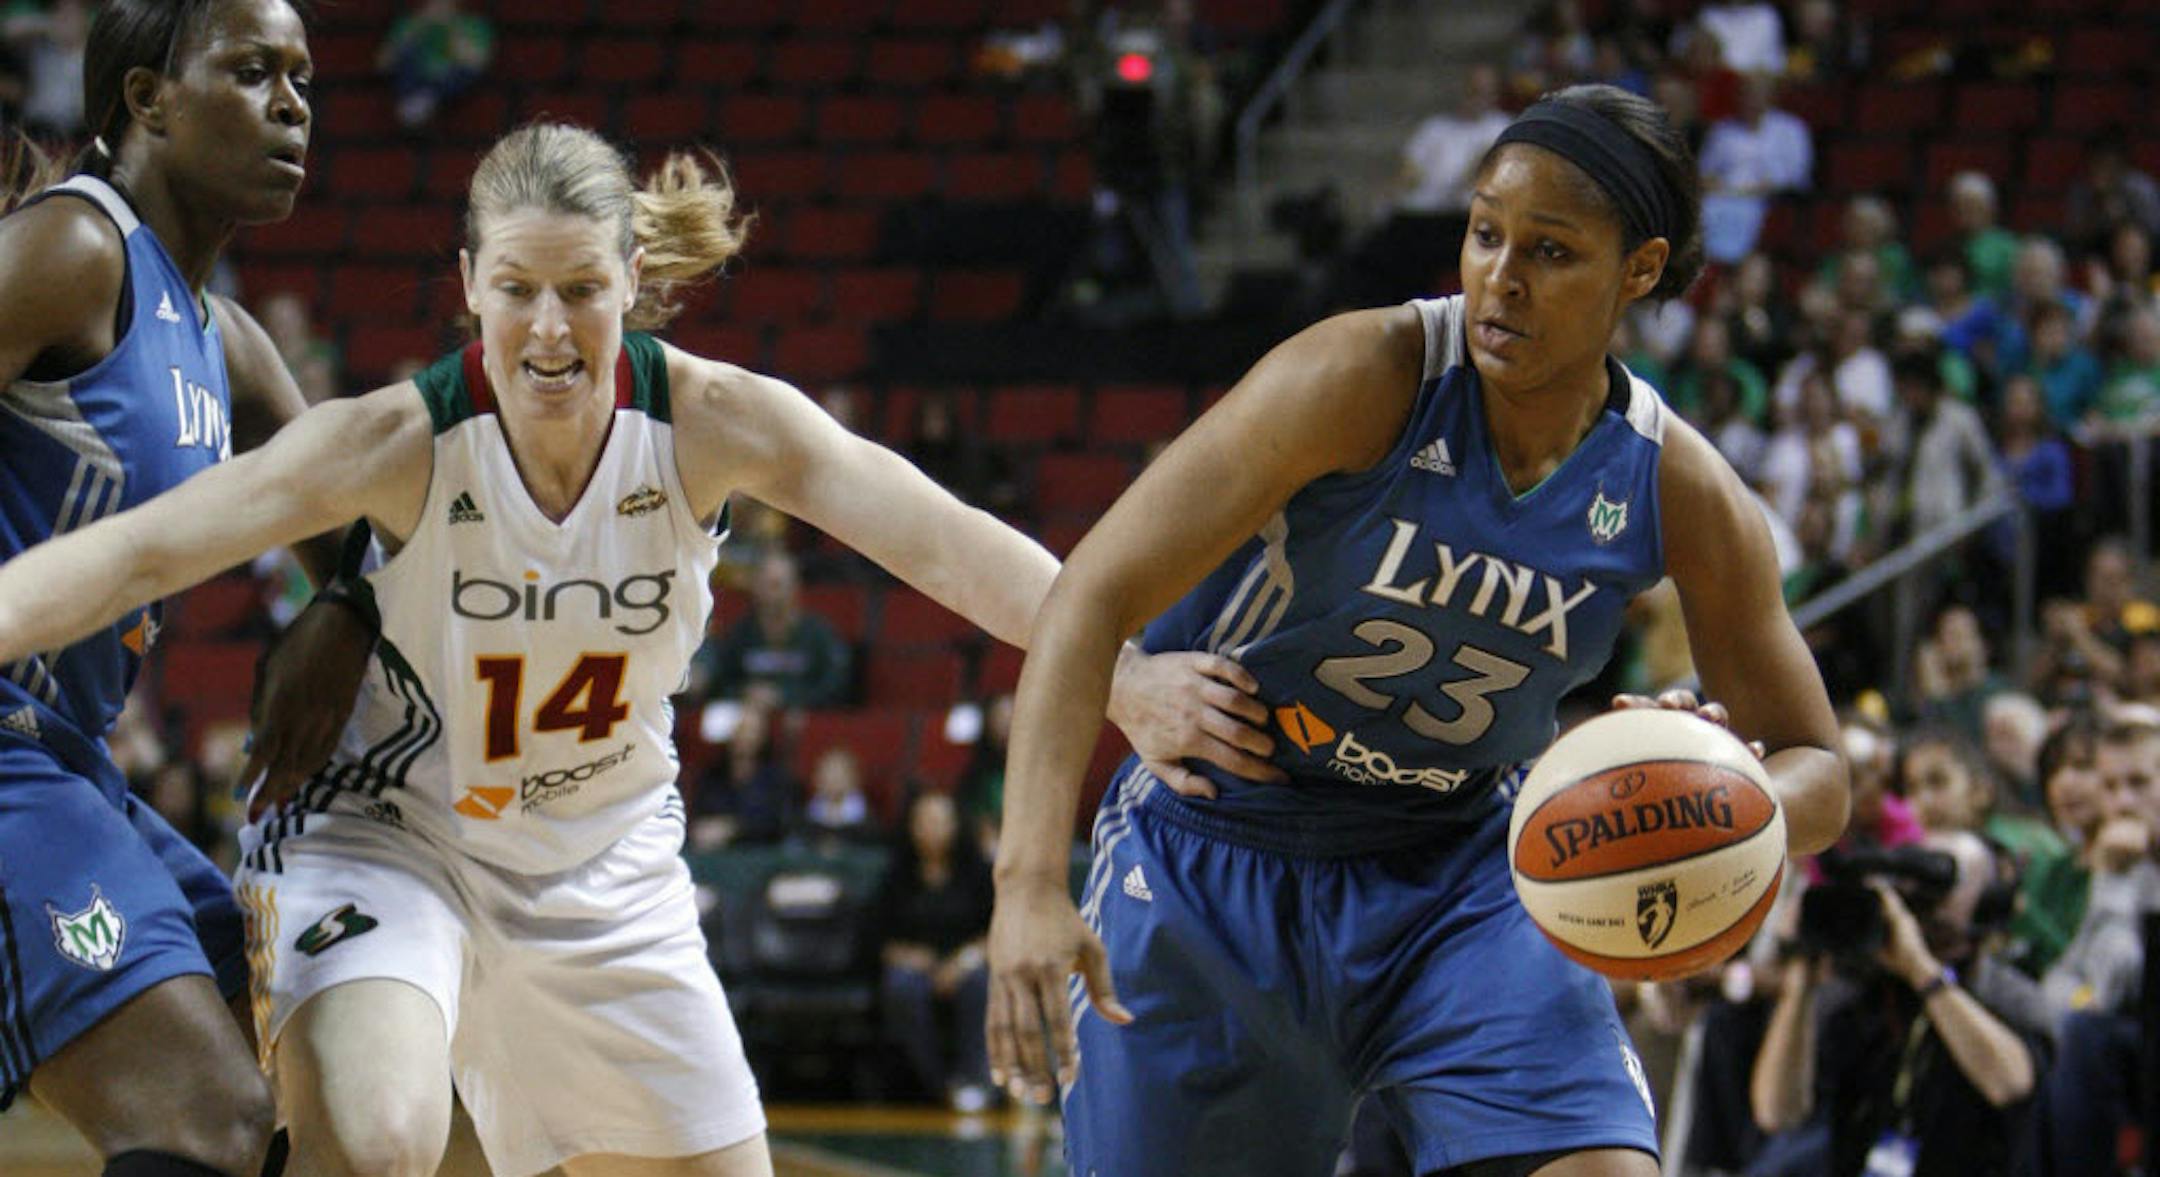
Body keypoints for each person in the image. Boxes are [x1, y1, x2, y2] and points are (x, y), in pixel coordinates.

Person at [0, 120, 1273, 1177]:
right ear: (467, 287)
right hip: (391, 839)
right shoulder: (393, 441)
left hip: (606, 860)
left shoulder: (716, 423)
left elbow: (951, 547)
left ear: (632, 286)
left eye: (580, 291)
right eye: (515, 291)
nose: (548, 331)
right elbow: (141, 554)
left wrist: (1127, 677)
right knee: (381, 1137)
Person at [986, 84, 1850, 1177]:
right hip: (1223, 853)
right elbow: (1087, 596)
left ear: (1639, 270)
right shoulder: (1360, 375)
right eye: (1486, 233)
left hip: (1464, 871)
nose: (1502, 275)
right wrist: (1026, 885)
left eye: (1552, 251)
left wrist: (1715, 787)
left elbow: (1821, 764)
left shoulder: (1681, 487)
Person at [0, 1, 356, 1174]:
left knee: (286, 1083)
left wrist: (341, 613)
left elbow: (367, 551)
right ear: (146, 100)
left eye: (302, 76)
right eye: (252, 71)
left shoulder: (231, 344)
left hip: (71, 759)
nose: (292, 103)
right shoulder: (74, 247)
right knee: (206, 1118)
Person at [1751, 831, 2047, 1177]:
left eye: (1945, 879)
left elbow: (2009, 1083)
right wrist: (1800, 978)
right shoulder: (1864, 993)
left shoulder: (2007, 993)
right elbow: (1777, 1111)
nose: (1922, 896)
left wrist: (1921, 971)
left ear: (1989, 901)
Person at [875, 789, 995, 1111]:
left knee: (980, 982)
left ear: (956, 825)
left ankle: (974, 1081)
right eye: (924, 821)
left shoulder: (978, 872)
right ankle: (934, 1084)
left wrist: (962, 961)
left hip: (966, 963)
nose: (932, 829)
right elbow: (877, 939)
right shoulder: (896, 874)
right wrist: (910, 957)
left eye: (940, 821)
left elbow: (994, 931)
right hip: (915, 968)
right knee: (901, 987)